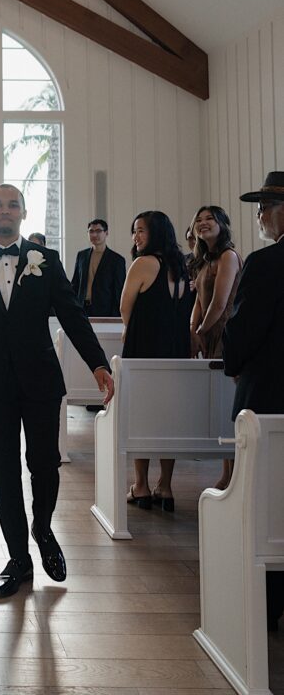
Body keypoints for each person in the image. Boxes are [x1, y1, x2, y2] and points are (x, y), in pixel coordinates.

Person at [0, 184, 113, 597]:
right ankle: (18, 559)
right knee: (3, 471)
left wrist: (98, 364)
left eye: (13, 205)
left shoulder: (48, 261)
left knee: (44, 464)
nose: (5, 211)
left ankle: (43, 527)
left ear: (22, 213)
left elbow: (74, 317)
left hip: (42, 379)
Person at [223, 172, 284, 631]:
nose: (259, 214)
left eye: (264, 205)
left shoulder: (265, 264)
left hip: (269, 397)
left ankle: (264, 605)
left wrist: (234, 362)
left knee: (267, 503)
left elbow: (242, 330)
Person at [120, 210, 193, 512]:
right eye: (134, 231)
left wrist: (131, 332)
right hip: (175, 350)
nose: (136, 237)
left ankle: (140, 485)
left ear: (157, 233)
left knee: (142, 416)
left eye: (141, 231)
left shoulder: (143, 263)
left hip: (144, 350)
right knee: (168, 418)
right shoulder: (181, 266)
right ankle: (165, 485)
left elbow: (125, 308)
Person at [189, 205, 242, 489]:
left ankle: (231, 474)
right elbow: (199, 302)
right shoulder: (203, 261)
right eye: (199, 220)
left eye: (209, 219)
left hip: (224, 335)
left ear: (222, 223)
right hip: (205, 333)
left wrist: (201, 330)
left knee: (227, 403)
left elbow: (221, 304)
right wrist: (192, 330)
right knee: (216, 404)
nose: (203, 223)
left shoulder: (228, 257)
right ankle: (225, 471)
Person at [71, 219, 126, 317]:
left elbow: (119, 291)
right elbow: (75, 283)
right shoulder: (81, 256)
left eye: (98, 231)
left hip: (105, 311)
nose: (94, 235)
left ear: (106, 233)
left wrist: (115, 316)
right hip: (82, 309)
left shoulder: (117, 260)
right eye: (91, 231)